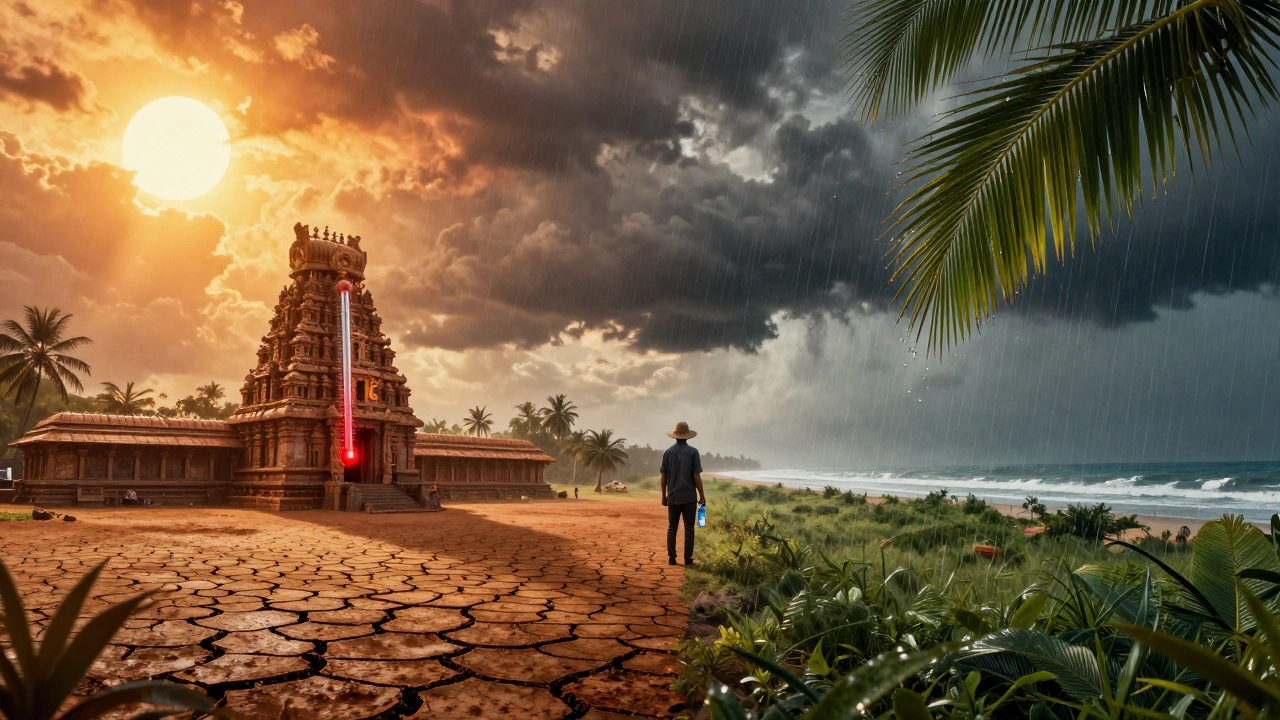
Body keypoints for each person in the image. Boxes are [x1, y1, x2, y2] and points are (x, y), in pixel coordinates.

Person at [660, 421, 706, 566]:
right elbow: (696, 476)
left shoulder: (668, 453)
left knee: (672, 527)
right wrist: (702, 495)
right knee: (689, 528)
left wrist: (663, 495)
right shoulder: (693, 452)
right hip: (689, 497)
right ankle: (687, 558)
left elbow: (664, 476)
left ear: (675, 436)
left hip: (673, 496)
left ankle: (672, 558)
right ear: (687, 436)